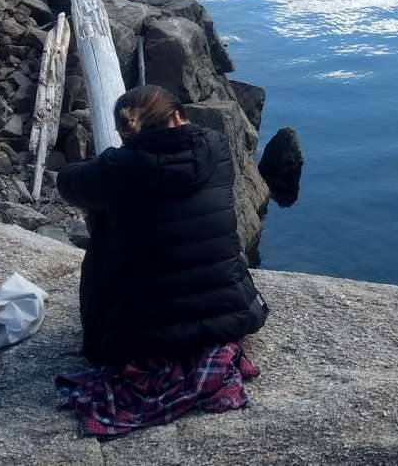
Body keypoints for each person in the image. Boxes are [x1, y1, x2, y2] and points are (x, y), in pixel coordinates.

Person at [56, 85, 268, 364]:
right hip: (233, 316)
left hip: (143, 336)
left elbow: (66, 181)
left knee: (106, 213)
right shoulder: (216, 146)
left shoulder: (117, 166)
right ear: (178, 115)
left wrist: (105, 162)